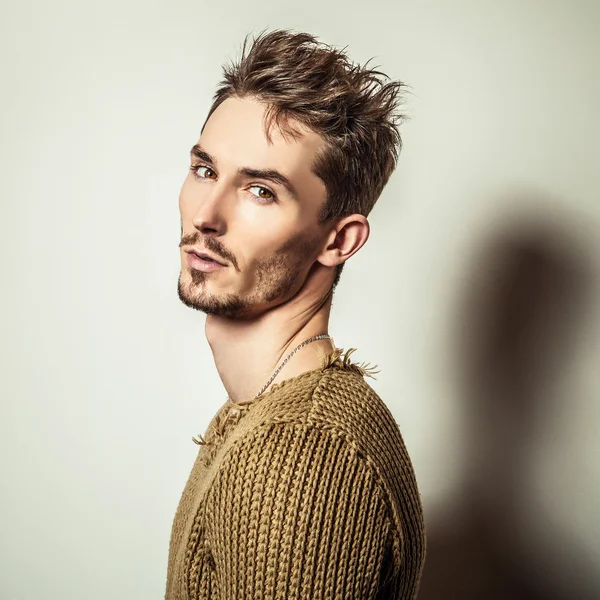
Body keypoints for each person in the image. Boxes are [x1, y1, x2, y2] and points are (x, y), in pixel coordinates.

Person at [166, 29, 426, 600]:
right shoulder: (266, 416)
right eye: (206, 170)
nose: (206, 216)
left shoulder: (298, 455)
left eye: (261, 191)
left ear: (339, 240)